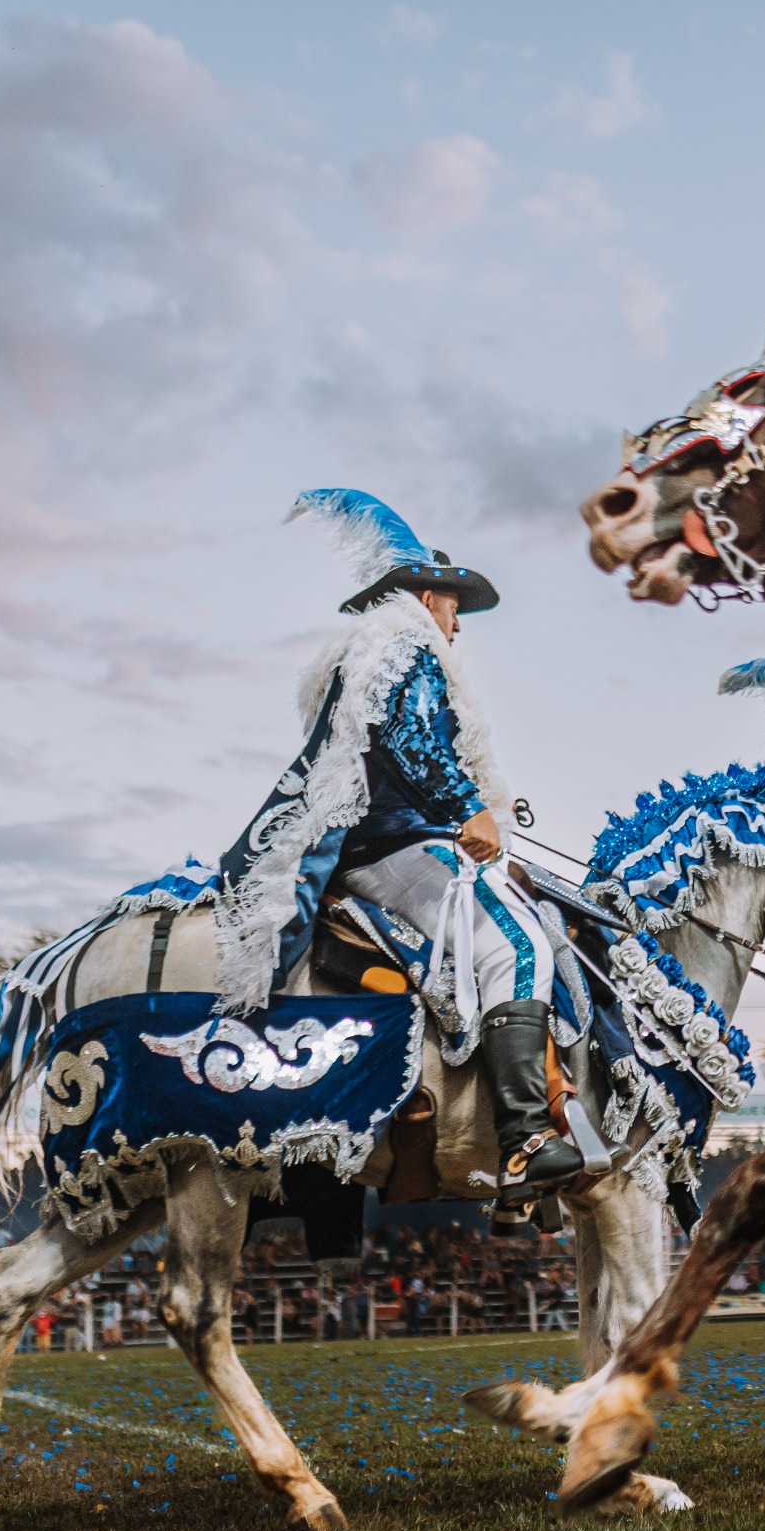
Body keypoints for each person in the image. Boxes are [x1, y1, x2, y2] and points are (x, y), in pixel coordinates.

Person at [216, 488, 581, 1203]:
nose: (456, 622)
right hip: (398, 849)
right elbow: (407, 739)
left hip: (371, 850)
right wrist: (469, 807)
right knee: (521, 943)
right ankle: (525, 1139)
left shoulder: (372, 650)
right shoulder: (404, 642)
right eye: (452, 604)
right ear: (422, 593)